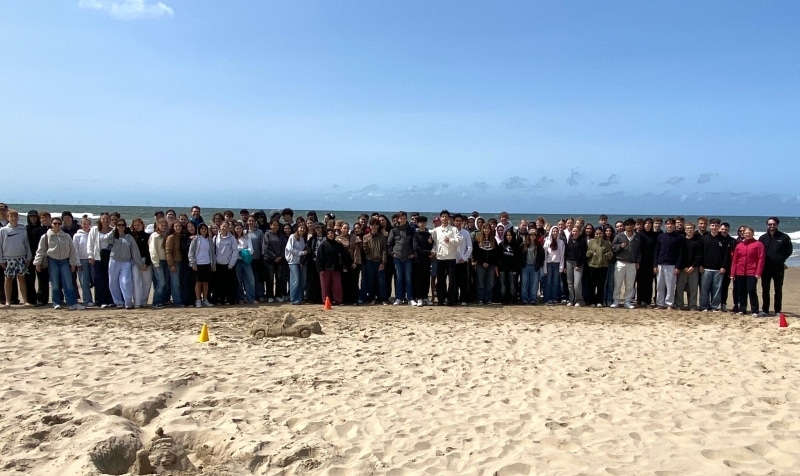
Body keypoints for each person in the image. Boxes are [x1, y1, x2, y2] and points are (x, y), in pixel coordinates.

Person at [33, 217, 84, 310]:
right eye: (55, 223)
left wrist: (73, 263)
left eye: (59, 224)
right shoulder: (45, 236)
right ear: (51, 224)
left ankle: (72, 303)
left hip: (65, 261)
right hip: (52, 261)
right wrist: (37, 262)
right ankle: (56, 302)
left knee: (68, 283)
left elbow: (72, 251)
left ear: (61, 225)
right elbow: (40, 251)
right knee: (55, 283)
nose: (57, 225)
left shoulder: (66, 236)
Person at [108, 219, 145, 309]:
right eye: (119, 225)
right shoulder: (113, 236)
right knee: (113, 282)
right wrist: (113, 230)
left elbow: (135, 251)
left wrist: (140, 263)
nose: (121, 227)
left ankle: (127, 303)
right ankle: (118, 302)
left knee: (126, 282)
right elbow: (107, 240)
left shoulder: (129, 237)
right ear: (116, 226)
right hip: (114, 261)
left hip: (126, 262)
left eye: (123, 225)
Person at [759, 217, 792, 316]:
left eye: (773, 224)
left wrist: (781, 259)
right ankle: (765, 310)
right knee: (765, 289)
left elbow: (789, 251)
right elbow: (759, 252)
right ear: (767, 225)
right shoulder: (762, 238)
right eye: (770, 224)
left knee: (778, 290)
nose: (771, 226)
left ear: (777, 225)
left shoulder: (784, 237)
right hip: (766, 268)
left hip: (778, 268)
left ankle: (777, 310)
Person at [0, 209, 33, 307]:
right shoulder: (3, 230)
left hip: (21, 258)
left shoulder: (23, 229)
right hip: (8, 259)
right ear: (8, 218)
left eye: (15, 216)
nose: (14, 218)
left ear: (18, 218)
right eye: (11, 216)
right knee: (8, 280)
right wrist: (1, 260)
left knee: (22, 279)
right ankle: (8, 302)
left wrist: (28, 257)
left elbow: (27, 244)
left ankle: (25, 301)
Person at [731, 226, 765, 317]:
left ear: (753, 234)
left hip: (752, 272)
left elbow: (761, 259)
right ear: (743, 234)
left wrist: (758, 272)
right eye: (745, 233)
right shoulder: (739, 245)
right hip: (740, 271)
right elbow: (735, 260)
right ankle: (743, 309)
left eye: (749, 233)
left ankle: (755, 310)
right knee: (741, 291)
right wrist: (732, 273)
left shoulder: (758, 244)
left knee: (751, 290)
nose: (747, 234)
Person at [697, 218, 731, 312]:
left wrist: (724, 266)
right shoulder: (704, 238)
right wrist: (700, 265)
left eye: (716, 225)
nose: (714, 227)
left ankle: (714, 306)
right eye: (712, 225)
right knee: (704, 289)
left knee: (717, 289)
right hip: (705, 268)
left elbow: (726, 255)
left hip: (718, 269)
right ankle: (704, 306)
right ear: (709, 226)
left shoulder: (723, 240)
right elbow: (700, 253)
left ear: (719, 227)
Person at [431, 210, 462, 306]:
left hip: (451, 258)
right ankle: (441, 299)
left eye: (446, 216)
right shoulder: (436, 230)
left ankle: (451, 300)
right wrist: (433, 251)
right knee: (441, 281)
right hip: (440, 258)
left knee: (452, 280)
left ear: (449, 218)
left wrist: (450, 240)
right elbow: (435, 243)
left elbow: (459, 241)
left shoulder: (453, 229)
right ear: (440, 218)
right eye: (443, 217)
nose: (444, 218)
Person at [653, 218, 684, 310]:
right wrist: (655, 265)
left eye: (671, 224)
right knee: (659, 285)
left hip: (672, 265)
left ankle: (669, 304)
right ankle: (660, 303)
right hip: (660, 264)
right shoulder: (661, 236)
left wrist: (678, 266)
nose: (669, 226)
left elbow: (680, 253)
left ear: (674, 225)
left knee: (670, 286)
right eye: (668, 224)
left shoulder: (679, 237)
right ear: (665, 225)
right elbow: (656, 251)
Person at [387, 211, 416, 305]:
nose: (402, 220)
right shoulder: (394, 230)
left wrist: (414, 253)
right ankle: (398, 298)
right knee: (399, 278)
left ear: (406, 218)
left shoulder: (411, 230)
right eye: (401, 218)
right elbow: (389, 244)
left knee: (408, 278)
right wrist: (392, 253)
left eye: (404, 218)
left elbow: (415, 243)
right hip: (397, 257)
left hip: (408, 257)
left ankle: (410, 298)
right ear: (398, 219)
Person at [610, 219, 640, 309]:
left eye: (631, 225)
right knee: (618, 283)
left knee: (630, 284)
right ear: (625, 226)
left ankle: (627, 302)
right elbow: (613, 247)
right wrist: (620, 246)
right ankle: (616, 301)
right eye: (627, 225)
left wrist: (638, 261)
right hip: (620, 262)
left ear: (634, 226)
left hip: (632, 263)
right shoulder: (619, 236)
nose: (629, 227)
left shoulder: (637, 237)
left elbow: (639, 251)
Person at [316, 228, 351, 305]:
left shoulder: (338, 245)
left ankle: (338, 300)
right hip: (325, 269)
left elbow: (343, 256)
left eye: (331, 233)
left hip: (336, 268)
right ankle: (326, 301)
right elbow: (319, 258)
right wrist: (320, 269)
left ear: (334, 234)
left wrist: (344, 266)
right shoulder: (323, 245)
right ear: (326, 235)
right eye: (328, 234)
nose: (330, 235)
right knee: (325, 286)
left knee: (337, 286)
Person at [87, 212, 114, 308]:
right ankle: (100, 301)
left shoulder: (113, 230)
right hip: (98, 258)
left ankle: (111, 300)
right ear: (100, 220)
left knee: (110, 280)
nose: (105, 220)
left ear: (110, 220)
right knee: (99, 280)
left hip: (111, 258)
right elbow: (90, 244)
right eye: (103, 219)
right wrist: (90, 256)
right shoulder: (95, 230)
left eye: (107, 218)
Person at [359, 218, 388, 305]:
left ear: (378, 226)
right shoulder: (366, 237)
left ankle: (383, 299)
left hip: (379, 262)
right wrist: (366, 244)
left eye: (375, 225)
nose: (373, 227)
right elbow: (365, 251)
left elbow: (384, 250)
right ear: (370, 226)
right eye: (372, 225)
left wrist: (383, 262)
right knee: (370, 281)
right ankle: (372, 298)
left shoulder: (382, 237)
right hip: (369, 262)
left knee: (381, 281)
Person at [674, 222, 701, 311]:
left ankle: (692, 305)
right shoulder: (681, 240)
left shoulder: (698, 241)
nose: (689, 230)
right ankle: (679, 304)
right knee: (679, 288)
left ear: (694, 229)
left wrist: (693, 266)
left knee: (693, 288)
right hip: (682, 268)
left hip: (694, 268)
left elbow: (699, 255)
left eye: (691, 228)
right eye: (688, 228)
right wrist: (684, 266)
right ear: (685, 230)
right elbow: (679, 254)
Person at [188, 223, 215, 307]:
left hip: (207, 263)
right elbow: (191, 252)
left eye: (205, 229)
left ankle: (205, 299)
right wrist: (193, 263)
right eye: (202, 229)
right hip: (198, 264)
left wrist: (213, 264)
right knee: (198, 282)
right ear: (199, 230)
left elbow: (212, 253)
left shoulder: (209, 240)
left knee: (206, 283)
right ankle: (198, 300)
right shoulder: (195, 239)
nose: (203, 230)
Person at [586, 227, 613, 307]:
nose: (598, 235)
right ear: (594, 234)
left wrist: (606, 255)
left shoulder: (607, 243)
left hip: (603, 266)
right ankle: (592, 301)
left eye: (600, 233)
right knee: (592, 285)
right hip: (592, 266)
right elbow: (587, 253)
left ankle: (599, 301)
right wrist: (591, 252)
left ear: (603, 234)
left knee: (601, 285)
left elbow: (611, 253)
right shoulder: (591, 242)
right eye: (597, 234)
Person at [213, 221, 238, 305]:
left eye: (226, 227)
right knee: (218, 284)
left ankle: (230, 300)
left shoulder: (232, 238)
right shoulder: (215, 237)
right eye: (223, 226)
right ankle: (220, 300)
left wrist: (231, 263)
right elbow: (213, 251)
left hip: (228, 265)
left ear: (228, 228)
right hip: (218, 264)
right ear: (220, 227)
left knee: (230, 284)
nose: (224, 228)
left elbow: (235, 251)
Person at [472, 223, 498, 305]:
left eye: (488, 229)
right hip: (480, 264)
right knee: (480, 282)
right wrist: (482, 262)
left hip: (491, 265)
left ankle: (488, 299)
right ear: (482, 229)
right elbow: (475, 253)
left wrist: (490, 263)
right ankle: (480, 299)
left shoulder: (493, 240)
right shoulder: (477, 240)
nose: (486, 230)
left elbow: (495, 254)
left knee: (490, 282)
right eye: (485, 228)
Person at [336, 222, 361, 304]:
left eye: (347, 228)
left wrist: (356, 262)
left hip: (353, 262)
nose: (346, 230)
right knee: (344, 282)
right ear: (341, 229)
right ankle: (344, 299)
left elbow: (357, 251)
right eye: (344, 228)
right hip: (343, 264)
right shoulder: (337, 239)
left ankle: (354, 300)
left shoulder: (354, 237)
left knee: (354, 282)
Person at [129, 218, 152, 308]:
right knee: (136, 281)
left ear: (142, 225)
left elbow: (150, 251)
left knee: (147, 282)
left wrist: (147, 263)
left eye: (138, 225)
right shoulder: (131, 236)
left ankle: (144, 301)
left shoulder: (147, 236)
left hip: (145, 260)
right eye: (135, 225)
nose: (136, 227)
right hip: (135, 261)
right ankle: (137, 302)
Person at [412, 217, 434, 306]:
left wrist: (430, 242)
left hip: (427, 260)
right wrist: (428, 252)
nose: (422, 224)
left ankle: (425, 297)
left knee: (426, 279)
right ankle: (419, 298)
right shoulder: (415, 234)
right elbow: (416, 247)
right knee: (418, 280)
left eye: (424, 222)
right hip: (418, 260)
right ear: (417, 223)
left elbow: (431, 245)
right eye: (420, 222)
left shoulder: (428, 234)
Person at [285, 222, 308, 305]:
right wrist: (301, 253)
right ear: (298, 228)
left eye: (304, 228)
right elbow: (290, 248)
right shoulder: (292, 236)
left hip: (300, 262)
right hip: (292, 261)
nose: (302, 229)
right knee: (295, 280)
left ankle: (300, 298)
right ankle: (294, 298)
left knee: (301, 280)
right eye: (301, 228)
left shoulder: (303, 239)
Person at [148, 219, 169, 309]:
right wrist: (156, 263)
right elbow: (152, 250)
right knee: (161, 282)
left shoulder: (166, 235)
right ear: (158, 225)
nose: (163, 227)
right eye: (162, 225)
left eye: (165, 225)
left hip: (166, 261)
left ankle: (163, 300)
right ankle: (156, 301)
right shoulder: (155, 236)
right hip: (158, 262)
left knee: (166, 283)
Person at [542, 226, 565, 305]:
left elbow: (562, 255)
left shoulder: (561, 242)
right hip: (548, 264)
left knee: (555, 282)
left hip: (557, 264)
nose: (555, 233)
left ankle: (554, 298)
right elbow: (544, 255)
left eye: (556, 231)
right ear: (551, 232)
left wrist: (561, 267)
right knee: (548, 282)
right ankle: (547, 298)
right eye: (553, 231)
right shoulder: (547, 241)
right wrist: (544, 267)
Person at [496, 229, 521, 305]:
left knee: (512, 285)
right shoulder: (501, 244)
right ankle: (504, 299)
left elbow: (518, 258)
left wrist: (515, 269)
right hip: (503, 268)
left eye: (510, 235)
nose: (508, 237)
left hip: (512, 269)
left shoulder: (516, 245)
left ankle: (513, 299)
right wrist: (499, 267)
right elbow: (498, 257)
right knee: (503, 285)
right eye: (507, 235)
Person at [233, 222, 256, 304]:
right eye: (237, 228)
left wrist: (240, 250)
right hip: (236, 261)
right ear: (234, 229)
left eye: (240, 228)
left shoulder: (247, 237)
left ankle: (251, 298)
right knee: (238, 281)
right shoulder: (233, 238)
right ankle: (240, 298)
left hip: (246, 261)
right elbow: (233, 250)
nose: (238, 230)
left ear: (242, 229)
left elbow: (251, 250)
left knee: (250, 279)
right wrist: (243, 249)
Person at [564, 225, 586, 307]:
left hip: (578, 264)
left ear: (579, 232)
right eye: (573, 231)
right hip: (569, 262)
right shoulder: (569, 240)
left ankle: (579, 300)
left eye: (576, 231)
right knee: (570, 283)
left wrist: (579, 264)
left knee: (577, 283)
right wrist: (565, 266)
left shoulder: (582, 240)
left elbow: (582, 253)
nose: (575, 233)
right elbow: (566, 252)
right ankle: (571, 300)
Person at [245, 215, 266, 302]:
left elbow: (263, 245)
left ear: (255, 222)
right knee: (249, 279)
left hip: (258, 258)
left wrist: (263, 256)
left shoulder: (260, 232)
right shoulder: (244, 232)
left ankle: (260, 295)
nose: (251, 222)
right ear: (247, 222)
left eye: (252, 220)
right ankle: (251, 296)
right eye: (249, 220)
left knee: (258, 278)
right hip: (247, 259)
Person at [165, 222, 185, 306]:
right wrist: (171, 264)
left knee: (180, 283)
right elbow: (168, 251)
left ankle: (181, 300)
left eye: (179, 226)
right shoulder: (171, 237)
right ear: (173, 228)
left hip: (182, 262)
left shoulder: (181, 237)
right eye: (176, 226)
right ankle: (177, 302)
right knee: (175, 284)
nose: (178, 228)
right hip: (175, 263)